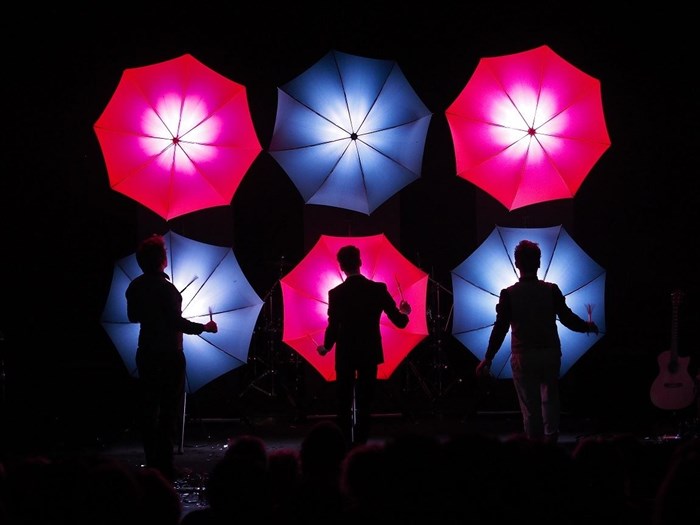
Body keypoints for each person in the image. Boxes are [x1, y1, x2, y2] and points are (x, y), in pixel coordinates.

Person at [475, 239, 598, 444]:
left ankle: (535, 447)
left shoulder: (508, 294)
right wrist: (587, 326)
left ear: (517, 264)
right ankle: (552, 442)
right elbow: (567, 319)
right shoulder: (551, 290)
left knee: (530, 407)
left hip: (523, 356)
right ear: (539, 263)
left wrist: (488, 358)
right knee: (551, 400)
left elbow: (500, 328)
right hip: (550, 353)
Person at [125, 234, 218, 481]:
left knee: (149, 409)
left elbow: (133, 317)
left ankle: (152, 463)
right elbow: (177, 323)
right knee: (168, 411)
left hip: (146, 353)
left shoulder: (134, 287)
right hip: (169, 355)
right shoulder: (167, 289)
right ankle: (165, 467)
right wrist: (205, 328)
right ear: (162, 261)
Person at [316, 245, 411, 447]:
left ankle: (344, 443)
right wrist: (405, 312)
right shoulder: (378, 289)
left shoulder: (336, 293)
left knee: (343, 400)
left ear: (341, 267)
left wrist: (326, 347)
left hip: (345, 352)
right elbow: (400, 322)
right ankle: (361, 444)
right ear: (360, 262)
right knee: (366, 401)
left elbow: (333, 326)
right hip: (370, 351)